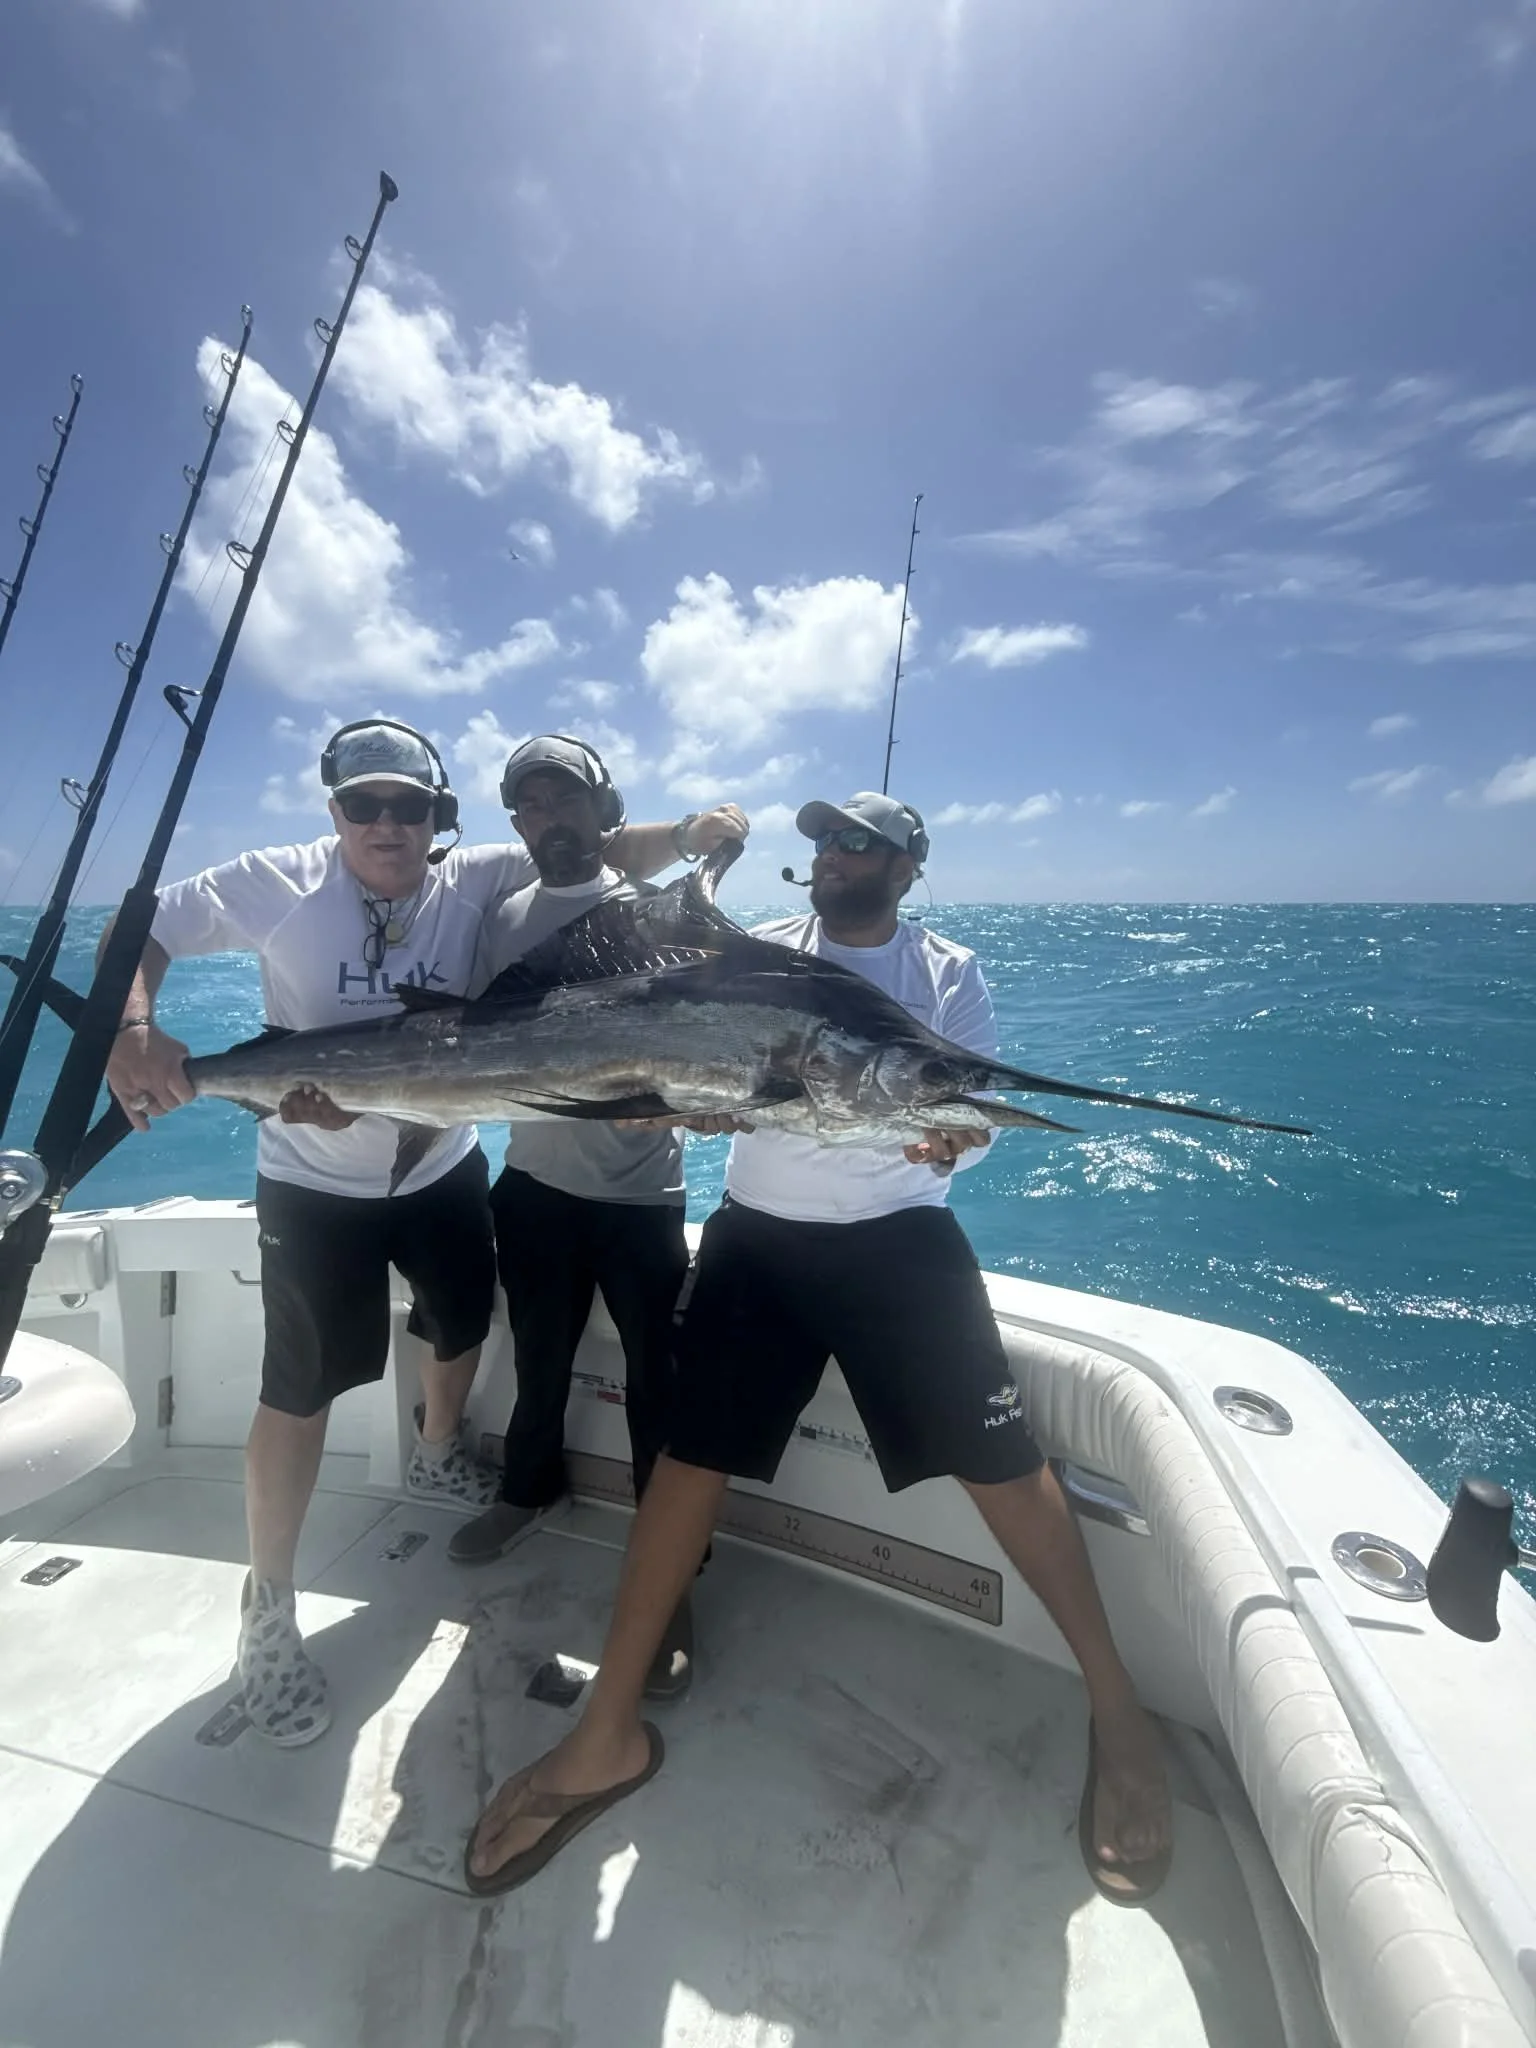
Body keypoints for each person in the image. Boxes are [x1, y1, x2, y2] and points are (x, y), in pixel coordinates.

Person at [464, 790, 1174, 1904]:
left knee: (1005, 1464)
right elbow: (678, 1068)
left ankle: (1120, 1712)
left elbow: (965, 1115)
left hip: (902, 1243)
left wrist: (950, 1139)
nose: (836, 856)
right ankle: (606, 1731)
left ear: (907, 864)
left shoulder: (951, 976)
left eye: (863, 843)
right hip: (760, 1242)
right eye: (825, 840)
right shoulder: (757, 956)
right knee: (687, 1458)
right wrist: (672, 1104)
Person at [102, 716, 742, 1749]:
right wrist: (135, 1030)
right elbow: (146, 922)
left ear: (440, 819)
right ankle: (266, 1608)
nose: (387, 824)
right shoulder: (282, 877)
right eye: (365, 805)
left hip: (440, 1163)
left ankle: (441, 1448)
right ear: (336, 812)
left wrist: (702, 829)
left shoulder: (479, 876)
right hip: (314, 1179)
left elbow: (600, 844)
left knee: (458, 1318)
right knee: (298, 1388)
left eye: (410, 806)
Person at [448, 736, 747, 1704]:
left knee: (662, 1387)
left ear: (602, 805)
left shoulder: (663, 912)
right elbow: (471, 1050)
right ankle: (529, 1487)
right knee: (538, 1357)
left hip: (641, 1197)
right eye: (530, 803)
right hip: (535, 1184)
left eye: (565, 797)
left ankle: (672, 1585)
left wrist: (704, 1101)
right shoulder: (499, 919)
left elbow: (718, 1047)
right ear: (518, 822)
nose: (549, 815)